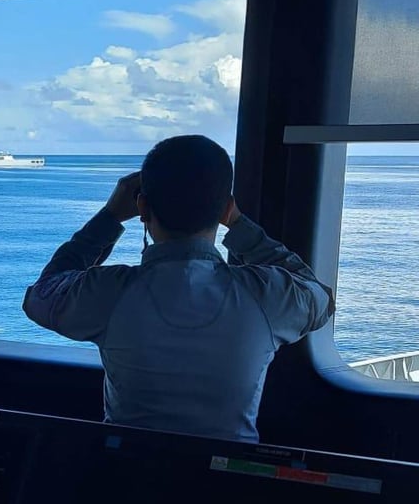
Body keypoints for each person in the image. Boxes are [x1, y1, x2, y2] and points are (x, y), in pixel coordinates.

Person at [22, 135, 334, 443]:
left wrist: (110, 217)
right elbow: (320, 296)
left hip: (124, 480)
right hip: (229, 485)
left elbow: (41, 294)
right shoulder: (267, 295)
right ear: (225, 209)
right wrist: (239, 225)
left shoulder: (108, 293)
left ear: (142, 207)